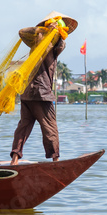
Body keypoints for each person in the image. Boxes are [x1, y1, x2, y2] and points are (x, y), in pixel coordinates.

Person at [10, 14, 76, 165]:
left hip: (27, 93)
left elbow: (61, 43)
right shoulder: (38, 40)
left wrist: (52, 32)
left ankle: (14, 160)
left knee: (24, 126)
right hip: (41, 93)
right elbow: (22, 32)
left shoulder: (53, 44)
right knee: (50, 127)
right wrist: (44, 30)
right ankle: (55, 161)